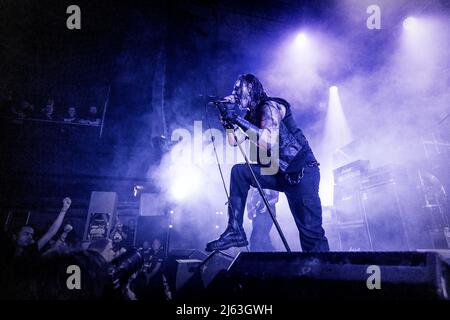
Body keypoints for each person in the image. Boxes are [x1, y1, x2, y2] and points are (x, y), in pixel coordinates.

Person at [206, 74, 329, 252]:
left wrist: (237, 119)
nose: (234, 93)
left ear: (250, 89)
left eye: (238, 89)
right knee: (239, 172)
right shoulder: (250, 116)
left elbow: (268, 140)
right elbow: (234, 142)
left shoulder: (271, 106)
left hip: (302, 174)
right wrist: (228, 122)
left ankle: (326, 275)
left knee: (311, 235)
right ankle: (235, 231)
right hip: (281, 174)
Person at [247, 187, 278, 251]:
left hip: (266, 214)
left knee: (256, 240)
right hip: (256, 214)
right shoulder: (252, 181)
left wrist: (266, 205)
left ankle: (257, 258)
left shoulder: (268, 180)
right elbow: (249, 198)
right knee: (263, 240)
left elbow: (276, 198)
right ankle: (272, 256)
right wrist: (249, 209)